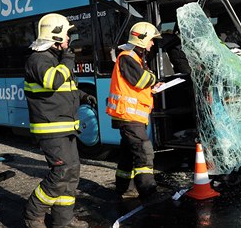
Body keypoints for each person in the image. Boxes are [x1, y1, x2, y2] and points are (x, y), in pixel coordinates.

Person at [23, 13, 95, 228]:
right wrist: (68, 59)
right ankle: (32, 215)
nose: (68, 40)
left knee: (72, 173)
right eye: (66, 35)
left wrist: (83, 96)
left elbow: (65, 88)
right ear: (55, 37)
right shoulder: (38, 59)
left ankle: (62, 221)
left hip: (66, 127)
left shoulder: (54, 59)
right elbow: (53, 81)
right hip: (50, 128)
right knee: (61, 172)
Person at [106, 22, 165, 204]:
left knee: (128, 153)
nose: (153, 44)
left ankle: (124, 188)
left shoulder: (133, 58)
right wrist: (152, 77)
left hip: (129, 116)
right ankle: (148, 192)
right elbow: (141, 80)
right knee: (143, 152)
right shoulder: (128, 57)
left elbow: (136, 86)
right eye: (151, 40)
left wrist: (151, 87)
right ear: (142, 39)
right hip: (129, 116)